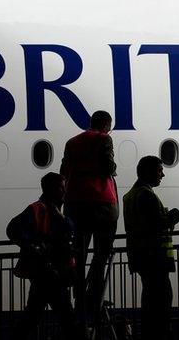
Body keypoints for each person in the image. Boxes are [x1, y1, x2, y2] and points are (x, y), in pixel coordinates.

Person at [61, 109, 118, 328]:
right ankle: (92, 296)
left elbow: (64, 170)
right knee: (101, 254)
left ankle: (78, 295)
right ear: (106, 125)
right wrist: (113, 169)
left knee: (79, 253)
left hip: (75, 203)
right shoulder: (104, 139)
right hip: (101, 203)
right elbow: (108, 167)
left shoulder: (72, 142)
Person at [123, 156, 179, 340]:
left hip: (140, 255)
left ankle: (151, 333)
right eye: (159, 170)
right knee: (161, 300)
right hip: (154, 257)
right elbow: (156, 224)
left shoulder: (131, 195)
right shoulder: (146, 194)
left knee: (150, 299)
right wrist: (176, 214)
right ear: (148, 172)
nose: (163, 174)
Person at [7, 172, 80, 340]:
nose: (65, 191)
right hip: (48, 273)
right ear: (51, 189)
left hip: (49, 273)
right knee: (66, 318)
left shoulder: (50, 211)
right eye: (62, 187)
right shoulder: (39, 209)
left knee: (33, 316)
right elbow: (13, 229)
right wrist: (36, 247)